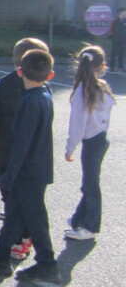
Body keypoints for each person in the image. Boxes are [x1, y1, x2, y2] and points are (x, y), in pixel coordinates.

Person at [0, 49, 59, 282]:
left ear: (20, 71)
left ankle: (47, 263)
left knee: (35, 217)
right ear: (50, 75)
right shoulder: (45, 94)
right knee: (14, 214)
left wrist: (11, 173)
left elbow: (22, 143)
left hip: (28, 171)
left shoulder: (30, 102)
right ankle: (1, 257)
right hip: (35, 168)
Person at [64, 45, 115, 241]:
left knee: (90, 185)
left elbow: (77, 123)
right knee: (89, 183)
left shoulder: (81, 90)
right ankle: (79, 218)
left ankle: (90, 227)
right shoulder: (101, 86)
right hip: (101, 138)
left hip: (92, 141)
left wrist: (70, 147)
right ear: (102, 66)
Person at [111, 7, 126, 72]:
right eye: (125, 12)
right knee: (114, 53)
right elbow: (114, 30)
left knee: (121, 53)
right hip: (116, 39)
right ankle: (112, 66)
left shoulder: (125, 21)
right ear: (121, 12)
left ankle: (121, 67)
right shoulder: (115, 21)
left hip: (123, 40)